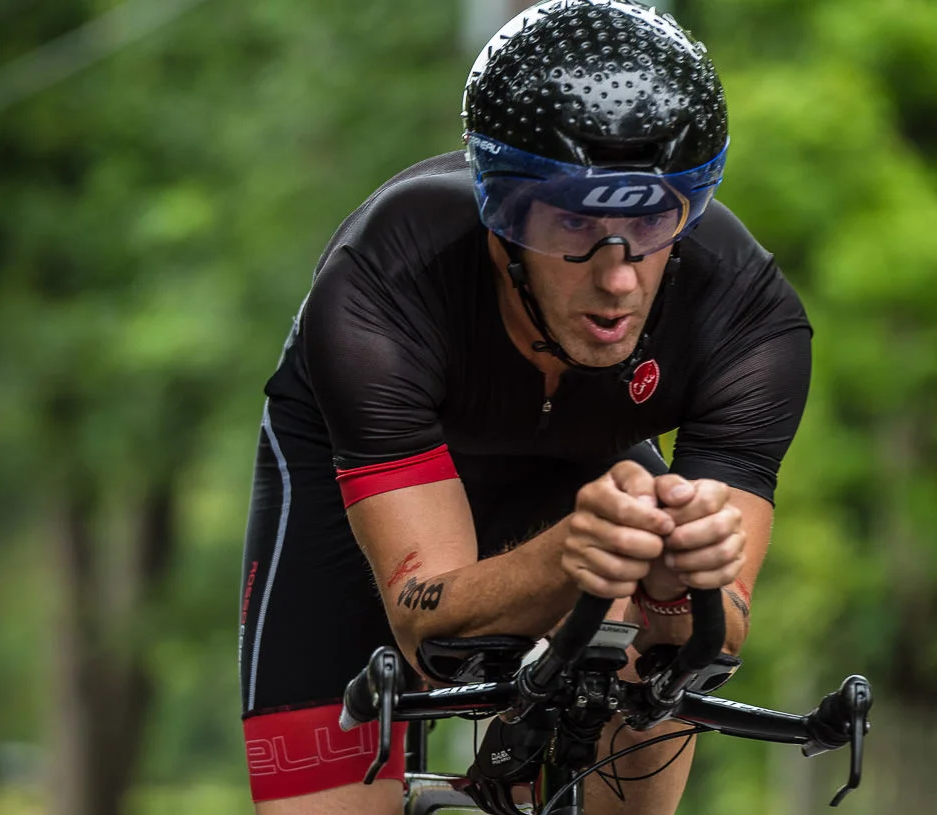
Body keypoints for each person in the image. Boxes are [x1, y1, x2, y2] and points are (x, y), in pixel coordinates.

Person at [237, 2, 811, 813]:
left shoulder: (748, 318)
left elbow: (716, 635)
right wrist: (563, 559)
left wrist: (675, 587)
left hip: (589, 468)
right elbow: (423, 627)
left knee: (655, 678)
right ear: (503, 215)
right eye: (575, 221)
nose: (616, 276)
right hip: (365, 483)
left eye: (650, 219)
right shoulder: (381, 285)